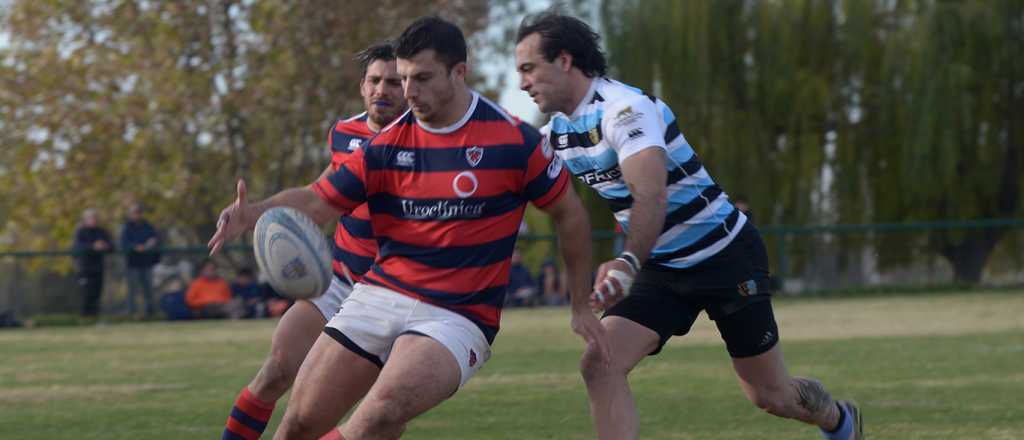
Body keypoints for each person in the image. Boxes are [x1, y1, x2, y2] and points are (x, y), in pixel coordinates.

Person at [209, 16, 608, 439]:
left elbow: (571, 214)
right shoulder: (384, 147)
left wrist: (579, 302)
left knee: (381, 413)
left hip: (458, 316)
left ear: (459, 72)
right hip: (378, 294)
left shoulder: (515, 141)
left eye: (421, 78)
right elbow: (317, 201)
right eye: (404, 78)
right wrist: (254, 213)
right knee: (298, 424)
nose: (410, 92)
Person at [514, 11, 862, 440]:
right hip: (660, 267)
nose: (522, 83)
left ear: (564, 60)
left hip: (726, 257)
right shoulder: (557, 134)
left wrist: (625, 263)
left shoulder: (625, 110)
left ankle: (838, 420)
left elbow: (651, 195)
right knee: (599, 363)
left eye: (529, 68)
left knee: (771, 396)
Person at [220, 41, 408, 440]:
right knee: (276, 371)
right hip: (338, 282)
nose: (382, 90)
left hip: (396, 293)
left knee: (377, 419)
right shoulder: (344, 133)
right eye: (375, 80)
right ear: (362, 86)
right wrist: (252, 213)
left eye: (394, 82)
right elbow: (318, 192)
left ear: (410, 87)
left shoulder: (426, 142)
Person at [120, 203, 161, 318]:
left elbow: (155, 238)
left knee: (149, 289)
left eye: (138, 212)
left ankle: (151, 313)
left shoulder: (147, 226)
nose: (136, 215)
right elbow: (124, 244)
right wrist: (135, 247)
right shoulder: (126, 228)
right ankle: (131, 313)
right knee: (132, 290)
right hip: (132, 264)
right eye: (134, 213)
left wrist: (151, 242)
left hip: (146, 262)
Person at [71, 208, 113, 317]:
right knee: (86, 295)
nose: (93, 220)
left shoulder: (101, 231)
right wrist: (93, 246)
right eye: (90, 218)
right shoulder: (80, 232)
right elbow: (77, 247)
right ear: (85, 219)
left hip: (98, 268)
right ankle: (84, 318)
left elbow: (112, 246)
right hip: (84, 269)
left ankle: (94, 317)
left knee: (97, 295)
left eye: (95, 218)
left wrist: (105, 246)